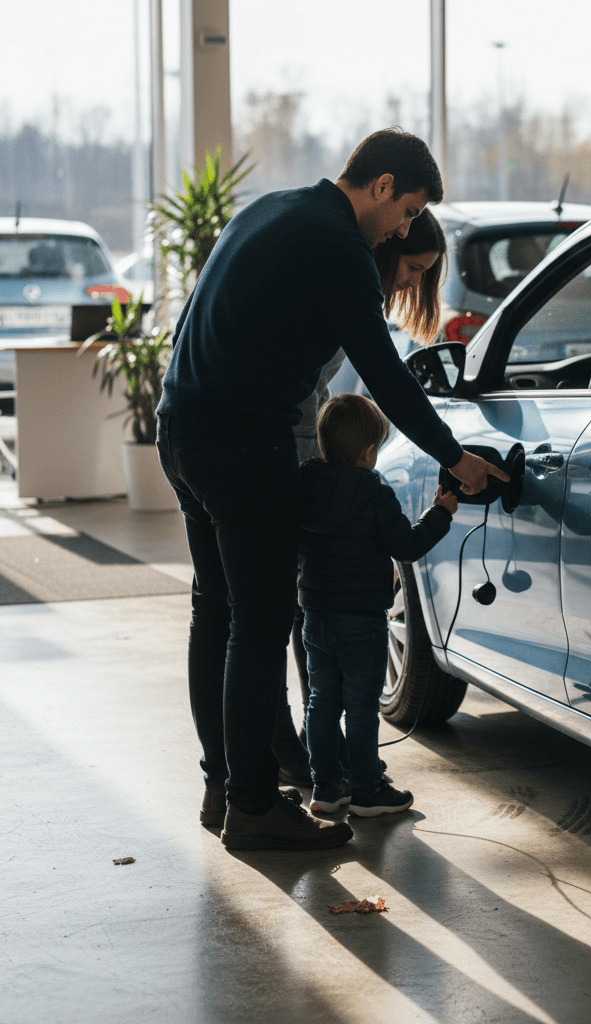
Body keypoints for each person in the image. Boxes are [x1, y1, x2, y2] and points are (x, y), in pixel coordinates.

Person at [156, 128, 507, 852]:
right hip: (243, 442)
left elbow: (195, 318)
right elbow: (384, 370)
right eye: (407, 211)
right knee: (259, 619)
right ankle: (254, 808)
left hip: (181, 427)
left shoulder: (274, 208)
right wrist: (454, 456)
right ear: (381, 187)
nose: (405, 227)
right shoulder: (339, 244)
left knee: (216, 612)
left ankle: (222, 785)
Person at [272, 207, 449, 783]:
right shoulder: (351, 285)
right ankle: (346, 772)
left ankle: (313, 765)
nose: (413, 284)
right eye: (414, 267)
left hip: (298, 437)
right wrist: (450, 472)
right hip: (285, 433)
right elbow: (387, 381)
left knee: (312, 660)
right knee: (269, 622)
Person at [299, 393, 457, 816]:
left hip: (314, 616)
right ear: (369, 452)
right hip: (362, 621)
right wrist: (440, 512)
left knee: (321, 702)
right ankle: (368, 788)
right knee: (362, 708)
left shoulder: (304, 485)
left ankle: (327, 788)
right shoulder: (374, 494)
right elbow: (405, 546)